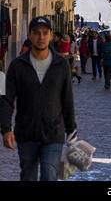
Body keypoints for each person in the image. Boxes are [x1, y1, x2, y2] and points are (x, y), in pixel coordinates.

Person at [0, 16, 77, 181]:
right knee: (28, 176)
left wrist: (71, 130)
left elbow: (67, 98)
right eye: (36, 33)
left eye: (45, 33)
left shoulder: (61, 64)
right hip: (26, 133)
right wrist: (6, 129)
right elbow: (7, 99)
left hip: (53, 134)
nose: (41, 37)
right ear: (29, 35)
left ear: (50, 36)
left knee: (49, 175)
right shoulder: (18, 65)